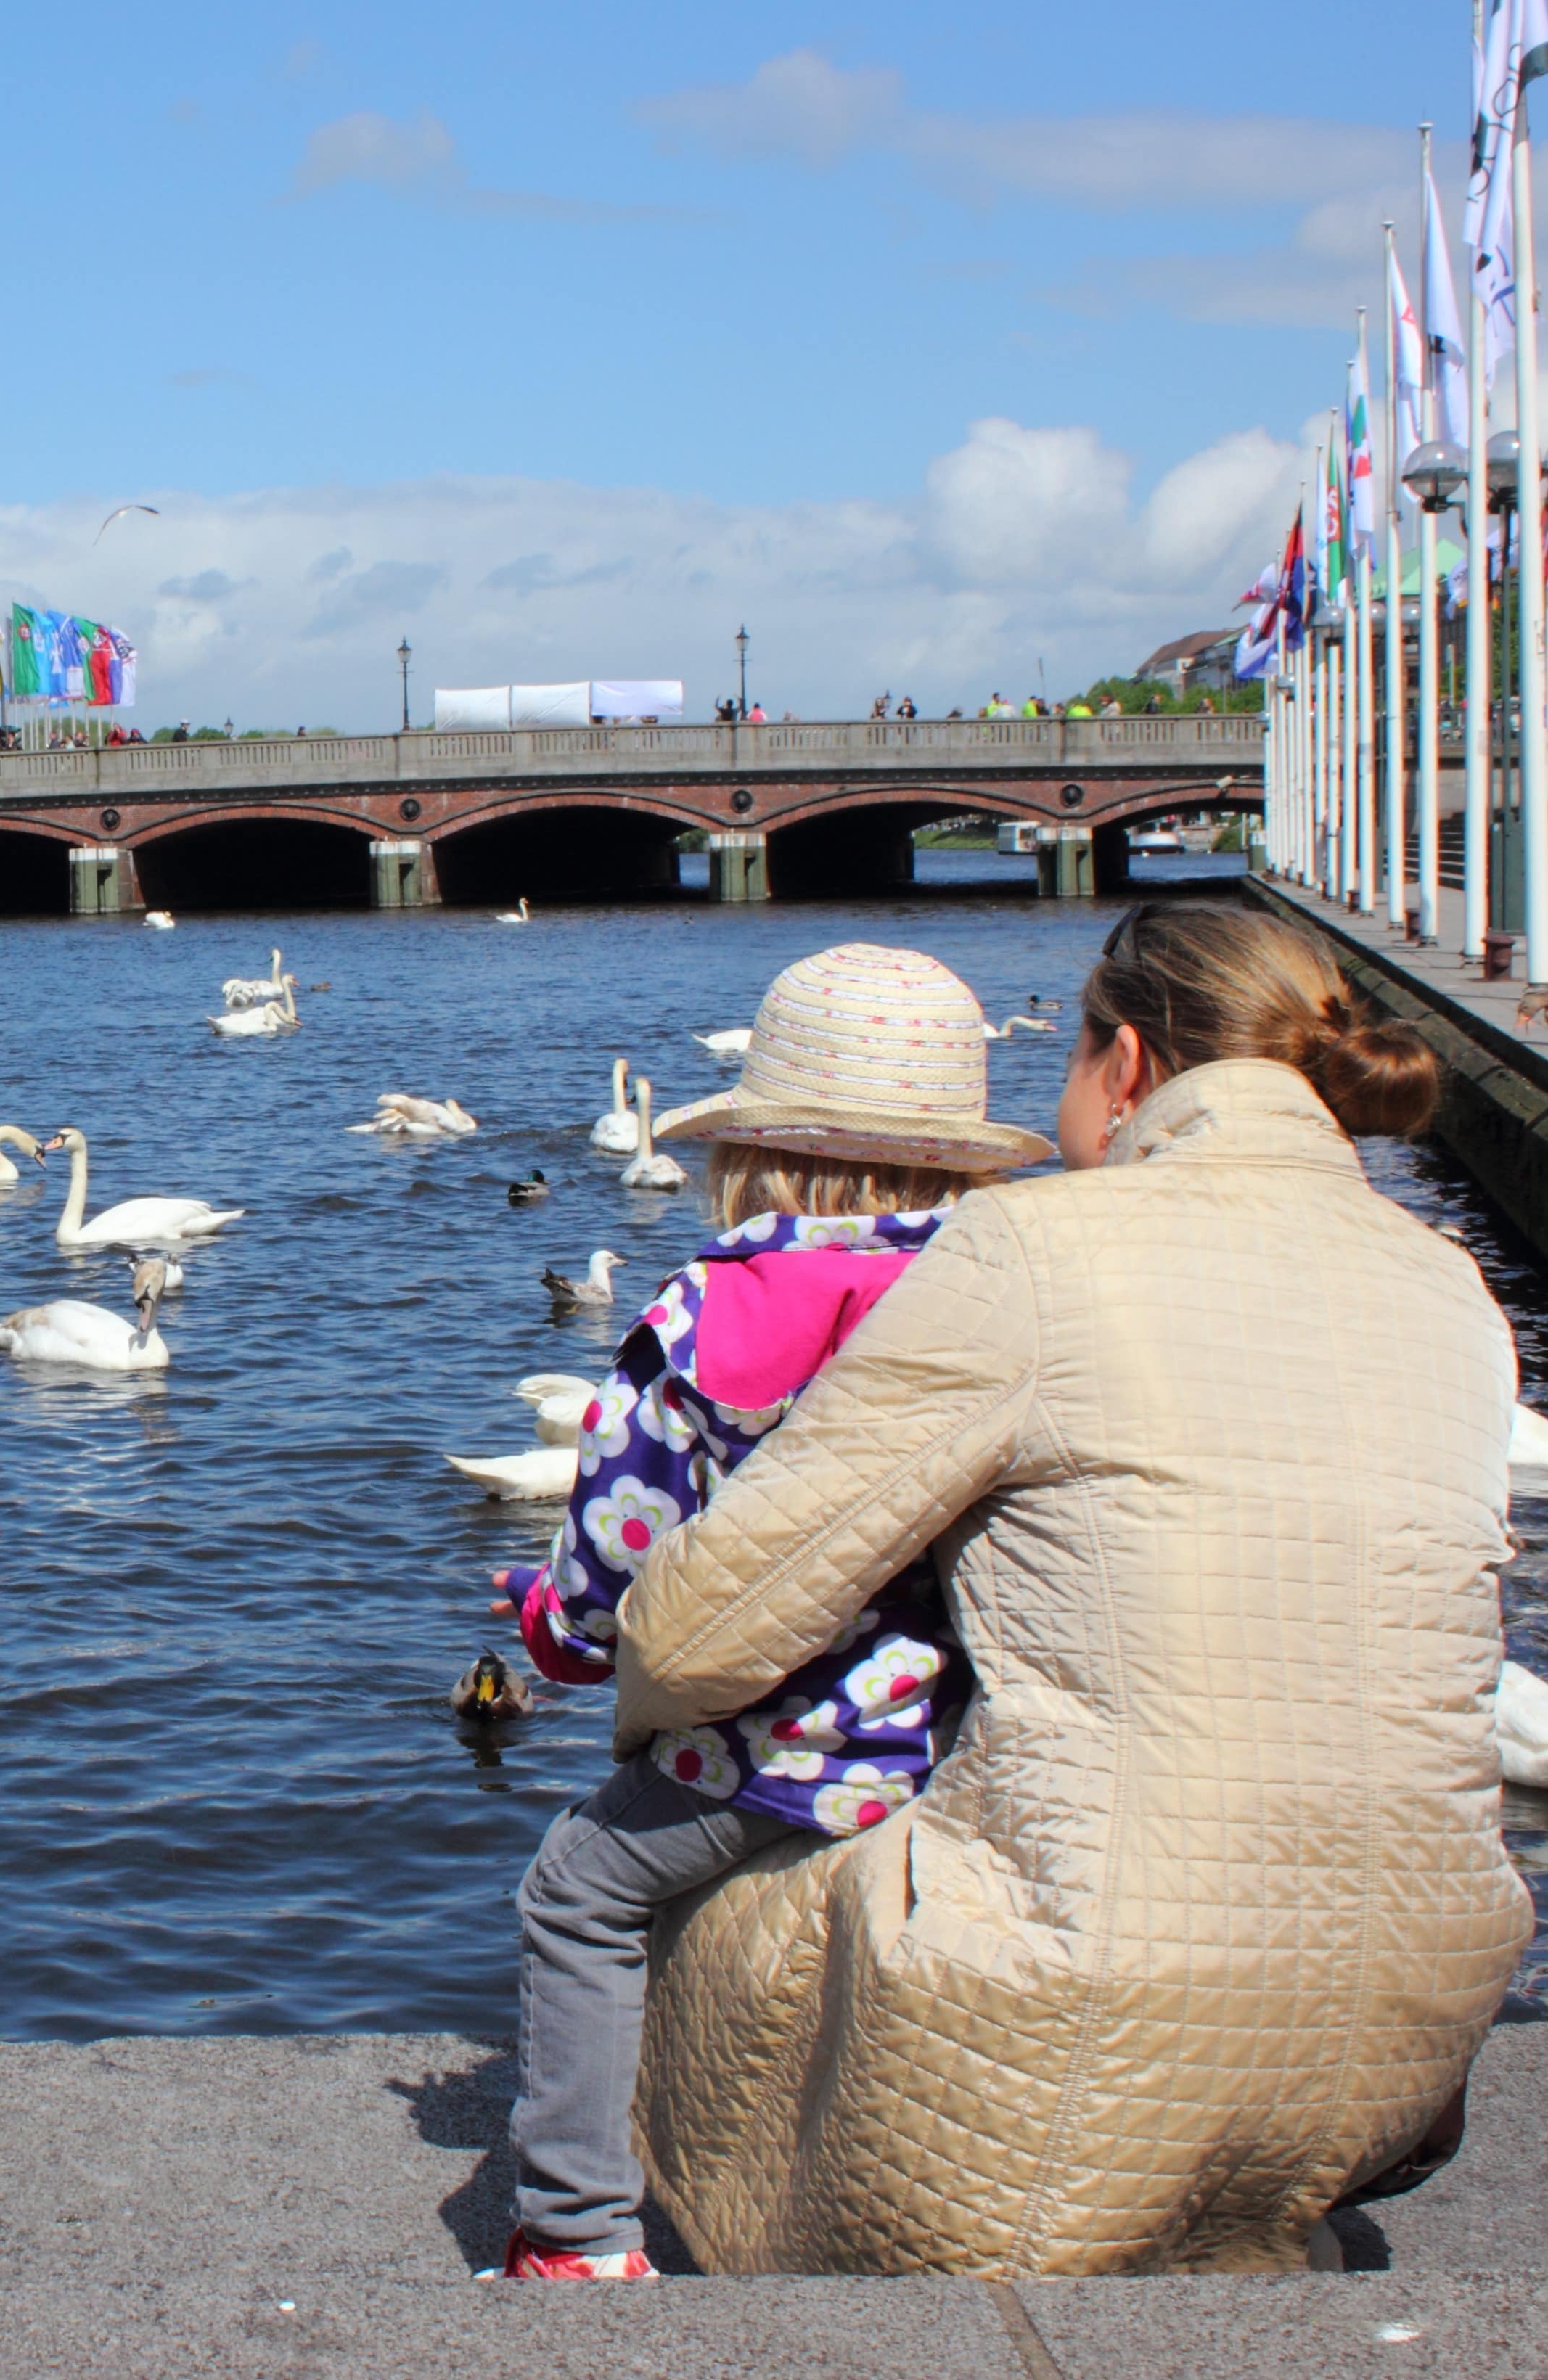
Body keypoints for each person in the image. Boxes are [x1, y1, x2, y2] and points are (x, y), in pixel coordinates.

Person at [621, 903, 1529, 2278]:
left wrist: (646, 1712)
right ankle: (1244, 2200)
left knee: (682, 1864)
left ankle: (758, 2282)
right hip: (1424, 2005)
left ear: (1124, 1067)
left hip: (1088, 2015)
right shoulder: (1452, 1286)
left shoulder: (1032, 1253)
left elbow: (711, 1621)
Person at [485, 945, 1052, 2283]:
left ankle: (574, 2228)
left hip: (781, 1755)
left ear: (753, 1150)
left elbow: (604, 1579)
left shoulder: (706, 1314)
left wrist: (548, 1631)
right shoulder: (1016, 1297)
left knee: (575, 1888)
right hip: (967, 1738)